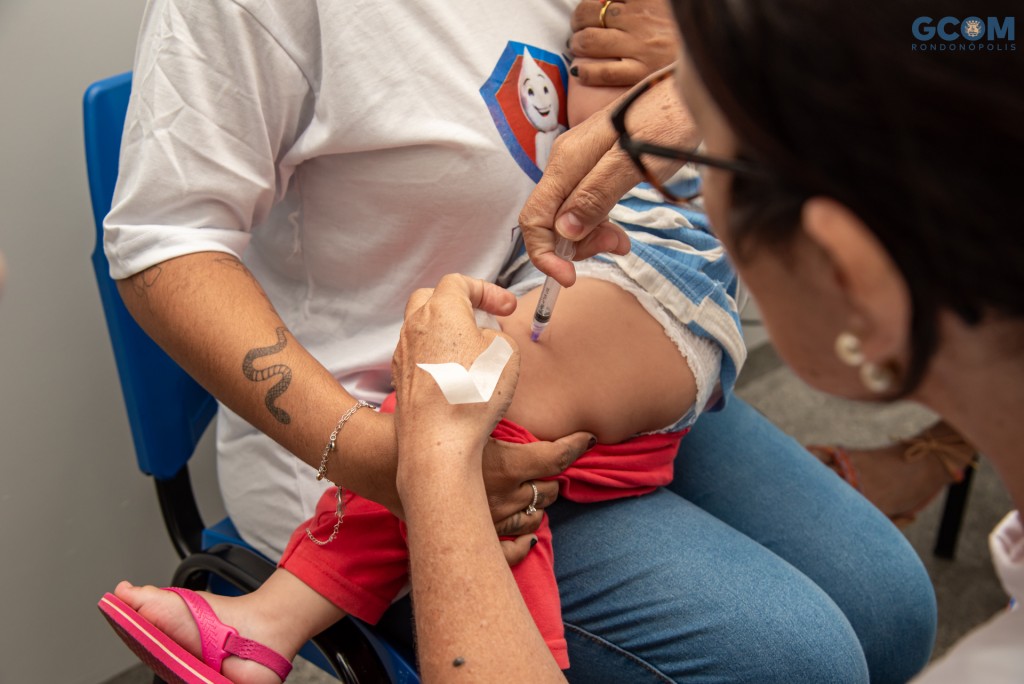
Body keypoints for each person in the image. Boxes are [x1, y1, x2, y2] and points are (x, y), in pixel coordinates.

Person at [101, 0, 935, 681]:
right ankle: (274, 617)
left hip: (585, 338)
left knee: (890, 607)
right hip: (358, 429)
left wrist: (709, 72)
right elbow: (160, 243)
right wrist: (385, 460)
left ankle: (268, 625)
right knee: (795, 661)